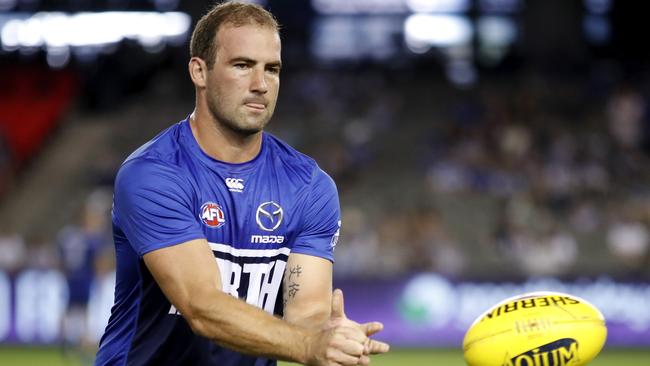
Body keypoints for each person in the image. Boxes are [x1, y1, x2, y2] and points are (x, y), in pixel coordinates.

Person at [94, 2, 389, 366]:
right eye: (242, 65)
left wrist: (330, 338)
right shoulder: (153, 173)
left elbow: (307, 314)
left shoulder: (310, 186)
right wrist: (308, 345)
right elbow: (201, 306)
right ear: (199, 72)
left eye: (273, 69)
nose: (261, 85)